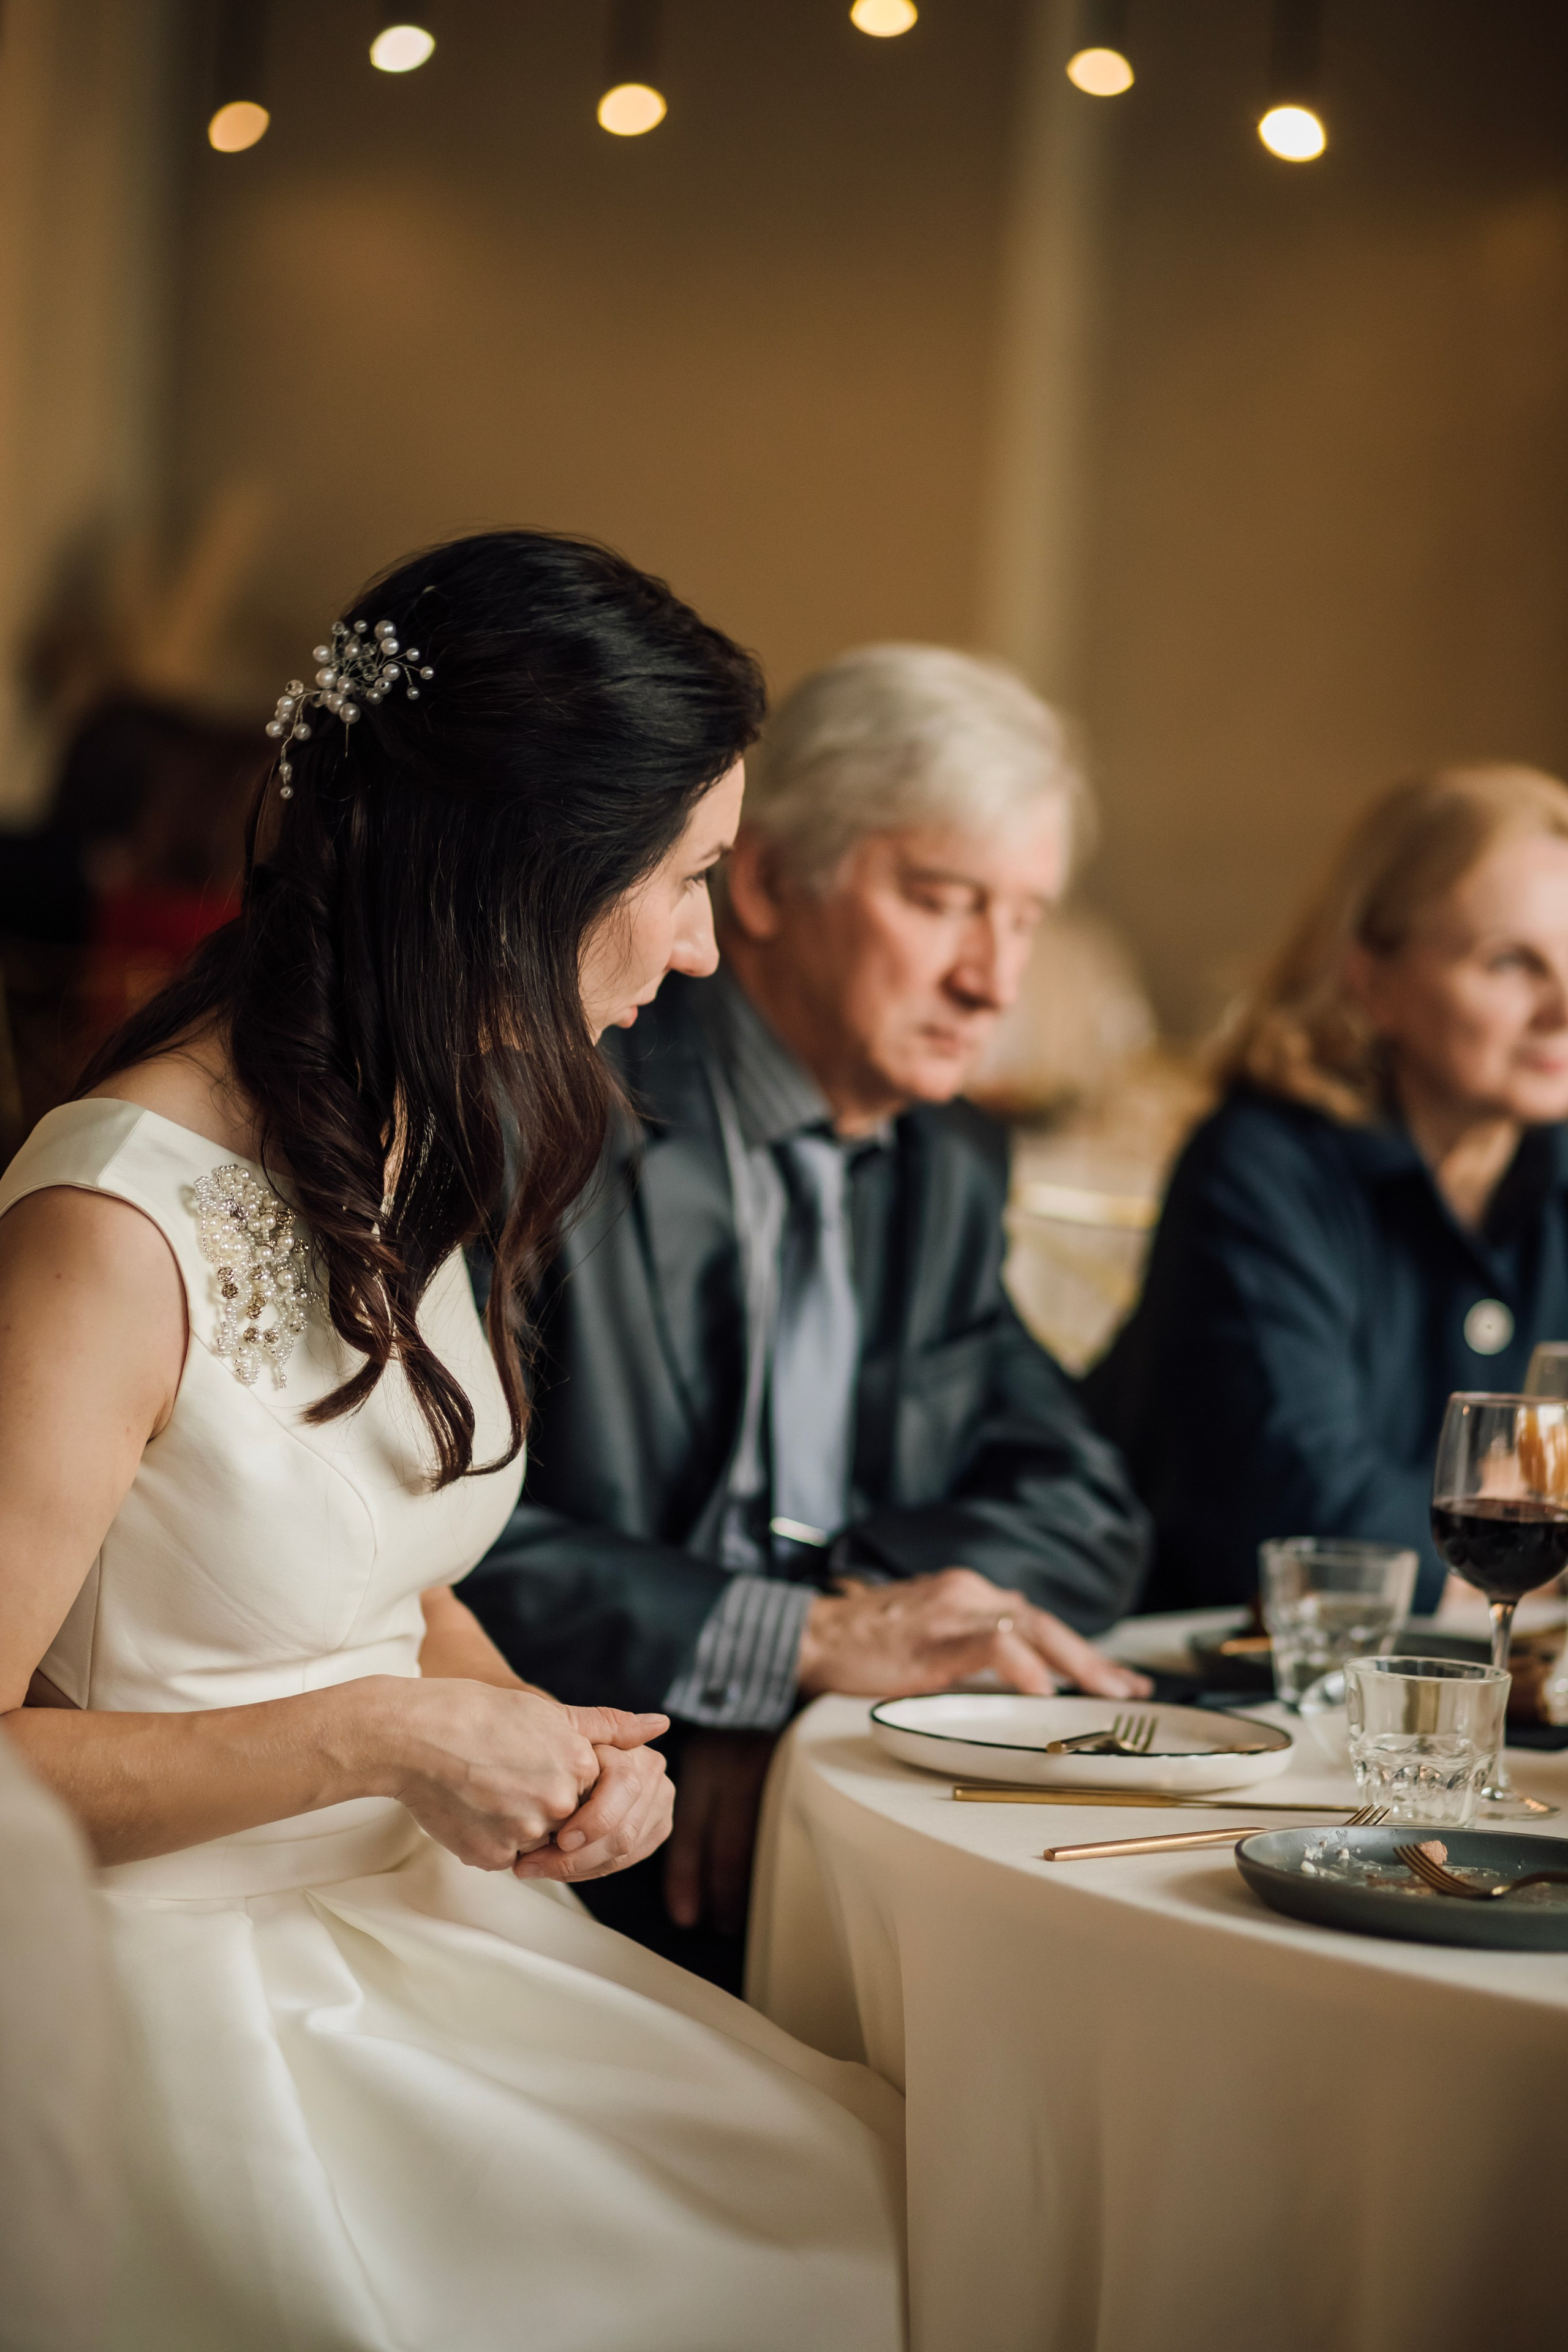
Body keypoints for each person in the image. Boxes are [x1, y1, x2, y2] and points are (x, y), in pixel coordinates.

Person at [0, 532, 903, 2352]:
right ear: (518, 878)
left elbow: (383, 1567)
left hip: (415, 1919)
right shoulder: (113, 1224)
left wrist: (555, 1750)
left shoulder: (405, 1126)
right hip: (182, 1987)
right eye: (687, 880)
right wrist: (390, 1737)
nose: (711, 946)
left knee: (888, 2191)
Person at [466, 643, 1152, 1988]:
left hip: (806, 1799)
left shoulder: (945, 1163)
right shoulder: (551, 1114)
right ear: (768, 882)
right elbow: (442, 1542)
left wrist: (798, 1662)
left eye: (1025, 919)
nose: (993, 983)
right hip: (558, 1826)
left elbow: (1084, 1504)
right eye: (945, 902)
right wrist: (784, 1649)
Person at [1088, 764, 1568, 1614]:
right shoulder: (1257, 1166)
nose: (1562, 1006)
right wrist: (1519, 1524)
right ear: (1371, 979)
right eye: (1511, 964)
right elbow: (1308, 1523)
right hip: (1217, 1692)